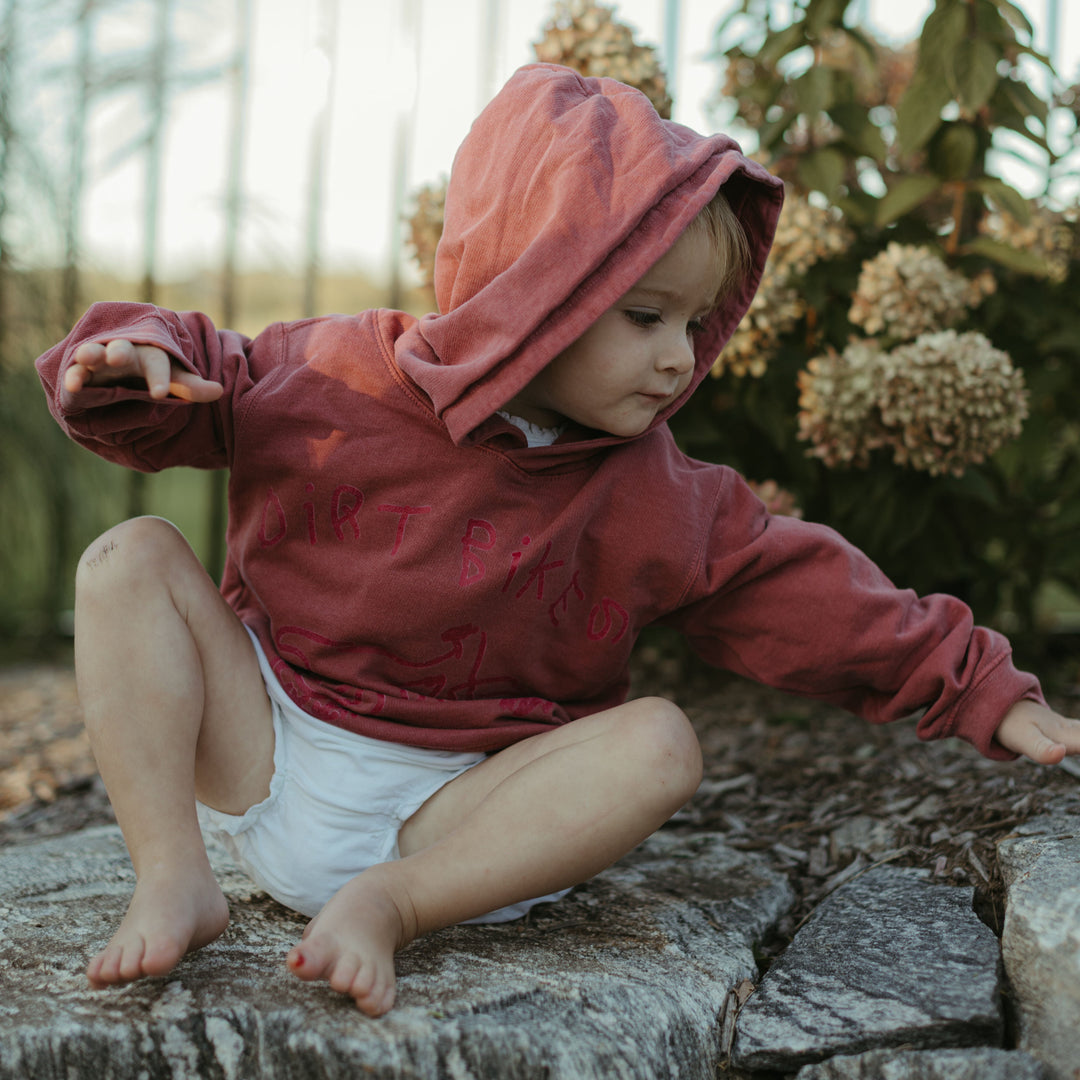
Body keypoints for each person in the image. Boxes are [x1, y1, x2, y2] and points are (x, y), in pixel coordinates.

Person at [36, 63, 1080, 1019]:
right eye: (645, 318)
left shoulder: (662, 493)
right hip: (269, 743)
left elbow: (811, 594)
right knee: (127, 561)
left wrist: (982, 687)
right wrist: (131, 360)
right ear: (535, 288)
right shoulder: (333, 376)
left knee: (661, 741)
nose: (681, 358)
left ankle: (391, 907)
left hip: (467, 818)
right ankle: (175, 874)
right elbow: (204, 367)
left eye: (696, 322)